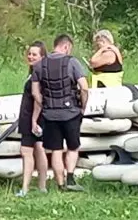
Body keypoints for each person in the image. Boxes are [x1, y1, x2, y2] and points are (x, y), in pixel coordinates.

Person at [30, 34, 90, 192]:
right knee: (72, 147)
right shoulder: (72, 62)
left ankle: (60, 184)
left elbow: (35, 93)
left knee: (56, 150)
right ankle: (70, 179)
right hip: (71, 113)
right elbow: (84, 87)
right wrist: (83, 106)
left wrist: (45, 104)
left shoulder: (39, 65)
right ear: (66, 46)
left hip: (50, 114)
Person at [18, 41, 48, 197]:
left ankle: (25, 188)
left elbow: (38, 99)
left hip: (32, 116)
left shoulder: (38, 75)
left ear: (42, 56)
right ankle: (42, 186)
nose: (30, 56)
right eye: (29, 53)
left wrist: (33, 120)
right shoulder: (36, 72)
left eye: (34, 54)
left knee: (26, 151)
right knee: (39, 148)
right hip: (35, 117)